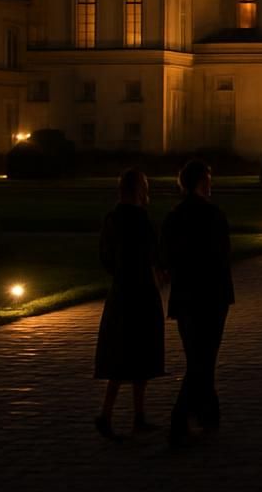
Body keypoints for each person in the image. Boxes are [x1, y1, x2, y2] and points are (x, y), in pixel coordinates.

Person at [161, 158, 234, 447]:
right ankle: (182, 418)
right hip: (212, 295)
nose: (211, 185)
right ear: (200, 183)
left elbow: (166, 256)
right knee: (204, 358)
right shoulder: (213, 215)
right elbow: (222, 254)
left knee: (197, 356)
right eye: (208, 180)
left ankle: (208, 412)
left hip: (186, 295)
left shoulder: (174, 216)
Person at [94, 168, 165, 440]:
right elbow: (153, 253)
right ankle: (124, 415)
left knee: (122, 353)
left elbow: (106, 256)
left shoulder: (112, 218)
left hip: (121, 291)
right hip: (142, 291)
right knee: (138, 353)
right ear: (139, 190)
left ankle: (117, 413)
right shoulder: (140, 219)